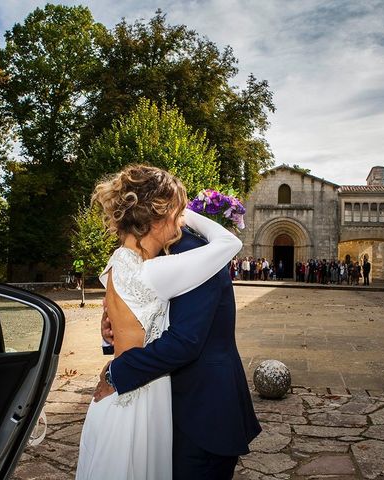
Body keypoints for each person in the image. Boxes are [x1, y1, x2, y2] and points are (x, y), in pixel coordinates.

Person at [76, 165, 258, 479]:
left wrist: (117, 373)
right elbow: (141, 319)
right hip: (161, 407)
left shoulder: (196, 254)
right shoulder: (148, 257)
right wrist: (112, 337)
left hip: (202, 410)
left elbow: (185, 340)